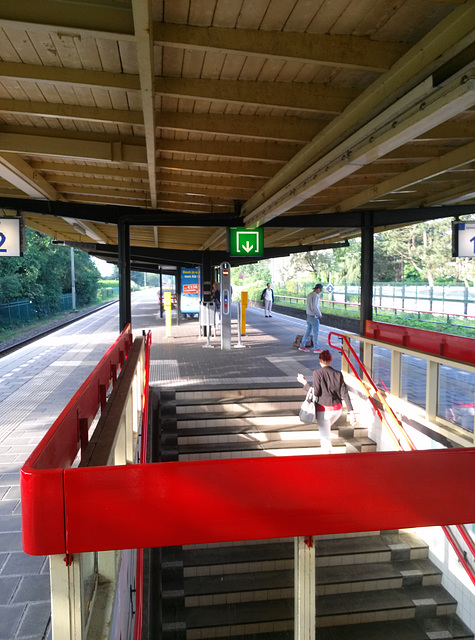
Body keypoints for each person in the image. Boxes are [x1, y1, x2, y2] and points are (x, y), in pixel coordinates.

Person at [297, 350, 356, 454]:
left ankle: (327, 459)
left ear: (320, 360)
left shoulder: (317, 373)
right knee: (325, 431)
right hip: (337, 410)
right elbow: (345, 393)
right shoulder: (338, 374)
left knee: (325, 438)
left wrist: (304, 383)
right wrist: (351, 412)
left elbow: (316, 392)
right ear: (331, 360)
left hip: (323, 411)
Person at [299, 283, 323, 353]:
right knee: (316, 332)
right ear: (318, 289)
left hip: (308, 316)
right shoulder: (315, 296)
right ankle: (316, 348)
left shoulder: (309, 294)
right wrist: (319, 314)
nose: (320, 292)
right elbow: (315, 307)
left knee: (308, 331)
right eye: (320, 290)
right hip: (314, 316)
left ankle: (302, 345)